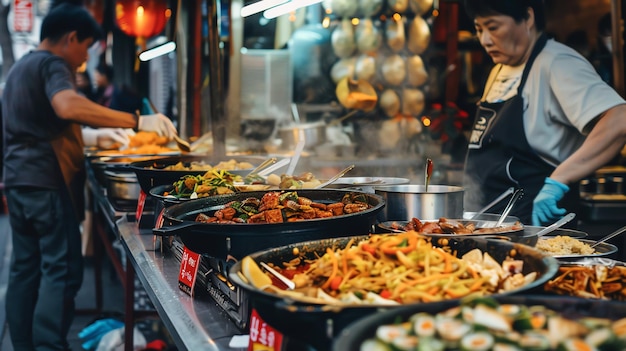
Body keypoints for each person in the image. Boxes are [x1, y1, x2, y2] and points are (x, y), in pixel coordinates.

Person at [0, 3, 177, 350]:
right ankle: (50, 345)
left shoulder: (21, 68)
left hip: (19, 183)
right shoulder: (53, 64)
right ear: (70, 38)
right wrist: (136, 121)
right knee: (60, 272)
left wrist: (91, 137)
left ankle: (23, 345)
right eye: (84, 48)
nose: (83, 59)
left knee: (25, 270)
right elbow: (67, 106)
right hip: (47, 184)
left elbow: (40, 123)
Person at [462, 0, 626, 226]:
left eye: (493, 27)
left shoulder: (557, 62)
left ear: (528, 18)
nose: (485, 40)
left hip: (534, 227)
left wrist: (559, 180)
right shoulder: (499, 70)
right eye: (479, 29)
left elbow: (619, 119)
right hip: (490, 225)